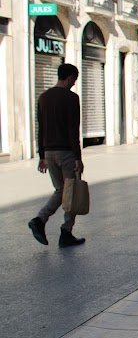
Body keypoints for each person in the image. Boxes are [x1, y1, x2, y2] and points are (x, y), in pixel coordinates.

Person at [28, 63, 86, 248]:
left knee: (61, 190)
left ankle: (42, 221)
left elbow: (41, 128)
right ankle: (63, 230)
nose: (74, 83)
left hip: (50, 153)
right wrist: (78, 157)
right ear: (68, 77)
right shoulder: (71, 98)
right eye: (74, 80)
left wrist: (41, 155)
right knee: (72, 190)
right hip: (66, 152)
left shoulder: (43, 97)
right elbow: (72, 129)